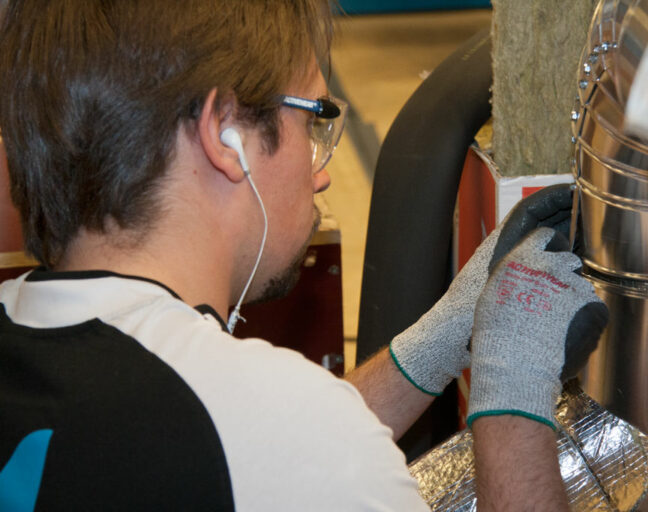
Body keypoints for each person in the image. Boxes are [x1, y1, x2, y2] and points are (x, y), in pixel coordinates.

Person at [0, 1, 607, 510]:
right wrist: (512, 399)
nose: (321, 175)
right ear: (224, 132)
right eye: (314, 119)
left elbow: (271, 442)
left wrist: (442, 339)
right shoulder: (280, 432)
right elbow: (285, 440)